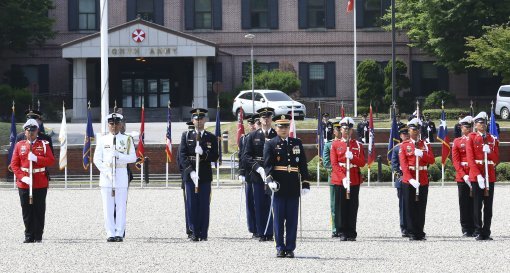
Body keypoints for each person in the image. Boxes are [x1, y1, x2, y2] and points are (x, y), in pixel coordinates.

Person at [264, 114, 310, 258]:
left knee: (291, 219)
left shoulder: (297, 143)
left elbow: (302, 164)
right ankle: (279, 247)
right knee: (278, 219)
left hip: (293, 185)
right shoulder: (270, 143)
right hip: (278, 185)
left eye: (286, 126)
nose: (283, 129)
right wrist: (269, 179)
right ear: (276, 127)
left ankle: (290, 248)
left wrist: (305, 183)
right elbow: (268, 164)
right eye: (280, 126)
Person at [10, 119, 55, 243]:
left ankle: (38, 235)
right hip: (24, 181)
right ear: (25, 132)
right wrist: (21, 177)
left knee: (39, 209)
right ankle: (29, 235)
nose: (31, 133)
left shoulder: (44, 144)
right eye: (28, 131)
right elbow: (14, 164)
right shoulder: (19, 145)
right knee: (26, 209)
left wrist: (36, 158)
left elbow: (51, 160)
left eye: (33, 131)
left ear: (37, 131)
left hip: (40, 181)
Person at [93, 113, 136, 242]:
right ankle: (110, 233)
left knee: (121, 207)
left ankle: (119, 232)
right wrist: (106, 172)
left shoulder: (127, 139)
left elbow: (133, 158)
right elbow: (96, 159)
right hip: (106, 176)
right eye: (111, 124)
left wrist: (119, 156)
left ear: (121, 124)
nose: (114, 126)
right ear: (108, 125)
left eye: (117, 123)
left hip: (121, 174)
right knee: (108, 207)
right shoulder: (102, 139)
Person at [179, 108, 219, 241]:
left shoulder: (211, 137)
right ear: (192, 120)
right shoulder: (186, 136)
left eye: (201, 118)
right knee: (191, 204)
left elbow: (215, 156)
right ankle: (194, 232)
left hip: (205, 175)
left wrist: (204, 153)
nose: (199, 121)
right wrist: (190, 172)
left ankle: (203, 232)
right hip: (191, 176)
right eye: (196, 119)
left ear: (205, 120)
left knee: (204, 204)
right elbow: (182, 156)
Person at [241, 107, 277, 241]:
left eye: (268, 117)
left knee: (272, 203)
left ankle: (271, 231)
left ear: (271, 118)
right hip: (257, 174)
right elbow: (246, 156)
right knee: (260, 203)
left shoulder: (276, 135)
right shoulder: (253, 136)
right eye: (263, 117)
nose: (266, 119)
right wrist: (258, 169)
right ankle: (262, 232)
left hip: (273, 174)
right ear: (260, 120)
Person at [330, 117, 366, 241]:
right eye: (344, 128)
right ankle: (342, 231)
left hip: (354, 178)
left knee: (352, 205)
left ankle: (351, 231)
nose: (346, 131)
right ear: (341, 129)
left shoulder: (358, 145)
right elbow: (334, 164)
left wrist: (353, 158)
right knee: (341, 206)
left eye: (349, 129)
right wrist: (343, 178)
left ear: (352, 130)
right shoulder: (335, 144)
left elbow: (362, 163)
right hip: (341, 179)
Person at [399, 118, 435, 241]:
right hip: (410, 180)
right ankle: (411, 231)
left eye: (417, 129)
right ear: (409, 130)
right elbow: (403, 165)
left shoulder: (425, 144)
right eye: (412, 129)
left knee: (421, 206)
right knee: (409, 206)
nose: (415, 132)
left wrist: (422, 154)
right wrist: (410, 179)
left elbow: (432, 160)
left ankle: (420, 231)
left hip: (422, 177)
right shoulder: (404, 145)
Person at [466, 111, 499, 241]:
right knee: (477, 205)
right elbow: (470, 158)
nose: (483, 125)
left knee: (488, 206)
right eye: (480, 123)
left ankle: (487, 231)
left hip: (489, 175)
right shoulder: (471, 138)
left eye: (484, 123)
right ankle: (478, 230)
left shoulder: (491, 139)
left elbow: (496, 158)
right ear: (475, 124)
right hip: (477, 175)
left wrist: (490, 151)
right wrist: (478, 175)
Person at [452, 115, 475, 237]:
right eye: (463, 127)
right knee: (464, 202)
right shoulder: (457, 141)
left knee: (475, 203)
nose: (464, 129)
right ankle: (466, 228)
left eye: (466, 127)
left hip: (474, 173)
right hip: (462, 175)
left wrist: (473, 174)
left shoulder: (476, 140)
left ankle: (475, 227)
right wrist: (464, 175)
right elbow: (456, 161)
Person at [238, 114, 260, 238]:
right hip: (249, 174)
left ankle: (263, 226)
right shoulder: (244, 138)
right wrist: (241, 172)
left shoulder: (262, 137)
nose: (252, 126)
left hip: (260, 173)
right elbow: (241, 157)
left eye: (254, 123)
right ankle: (253, 228)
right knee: (250, 201)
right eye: (250, 123)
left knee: (262, 201)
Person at [177, 121, 195, 238]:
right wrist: (185, 173)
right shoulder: (185, 139)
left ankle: (196, 228)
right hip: (187, 175)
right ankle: (190, 229)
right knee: (189, 204)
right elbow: (180, 159)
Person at [391, 124, 410, 237]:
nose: (406, 136)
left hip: (412, 179)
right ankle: (404, 227)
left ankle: (412, 225)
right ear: (400, 136)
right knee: (403, 205)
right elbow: (394, 165)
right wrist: (401, 176)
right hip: (402, 179)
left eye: (407, 133)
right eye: (404, 134)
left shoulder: (414, 146)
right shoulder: (397, 148)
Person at [322, 118, 340, 237]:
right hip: (334, 178)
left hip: (347, 179)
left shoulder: (348, 144)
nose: (340, 131)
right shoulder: (329, 145)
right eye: (337, 129)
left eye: (342, 129)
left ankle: (344, 226)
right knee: (334, 205)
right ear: (334, 131)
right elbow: (327, 162)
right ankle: (335, 229)